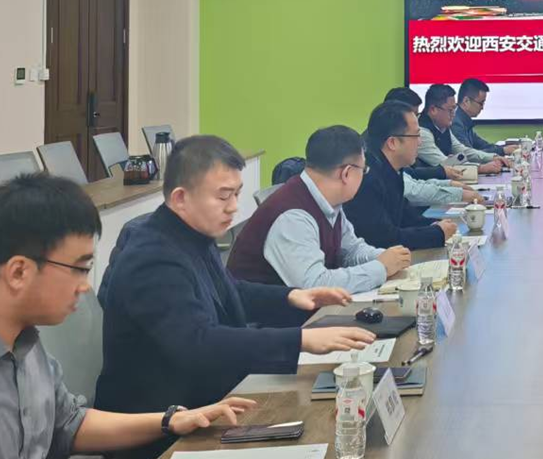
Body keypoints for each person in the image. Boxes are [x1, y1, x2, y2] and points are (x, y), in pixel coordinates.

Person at [0, 173, 262, 459]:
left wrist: (172, 421)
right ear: (18, 271)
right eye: (79, 269)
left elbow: (68, 425)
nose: (85, 286)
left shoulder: (23, 342)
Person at [95, 136, 375, 458]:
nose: (233, 207)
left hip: (208, 403)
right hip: (162, 432)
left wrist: (292, 296)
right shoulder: (152, 257)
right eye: (223, 196)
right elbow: (198, 343)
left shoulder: (191, 233)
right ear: (181, 197)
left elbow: (229, 291)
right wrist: (300, 340)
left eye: (237, 194)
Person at [228, 125, 411, 294]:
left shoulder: (328, 199)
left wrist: (386, 257)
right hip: (266, 316)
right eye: (364, 170)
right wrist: (381, 268)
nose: (364, 176)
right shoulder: (292, 217)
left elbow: (351, 250)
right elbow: (314, 285)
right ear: (346, 173)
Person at [349, 100, 461, 250]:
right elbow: (384, 238)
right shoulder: (367, 177)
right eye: (416, 135)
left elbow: (407, 217)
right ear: (392, 143)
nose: (420, 143)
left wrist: (437, 224)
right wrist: (436, 233)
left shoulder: (393, 169)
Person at [383, 86, 482, 206]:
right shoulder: (375, 159)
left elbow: (411, 179)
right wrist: (459, 193)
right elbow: (413, 190)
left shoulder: (443, 128)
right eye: (414, 115)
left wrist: (449, 184)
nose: (419, 142)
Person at [416, 84, 506, 174]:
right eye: (450, 110)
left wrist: (492, 157)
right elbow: (445, 165)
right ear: (433, 109)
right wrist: (480, 168)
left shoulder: (442, 126)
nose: (453, 114)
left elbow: (462, 150)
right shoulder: (421, 132)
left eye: (454, 109)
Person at [452, 78, 518, 155]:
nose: (482, 107)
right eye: (481, 103)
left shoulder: (464, 120)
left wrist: (504, 148)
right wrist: (503, 151)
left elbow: (483, 145)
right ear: (466, 101)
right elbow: (469, 155)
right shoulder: (456, 123)